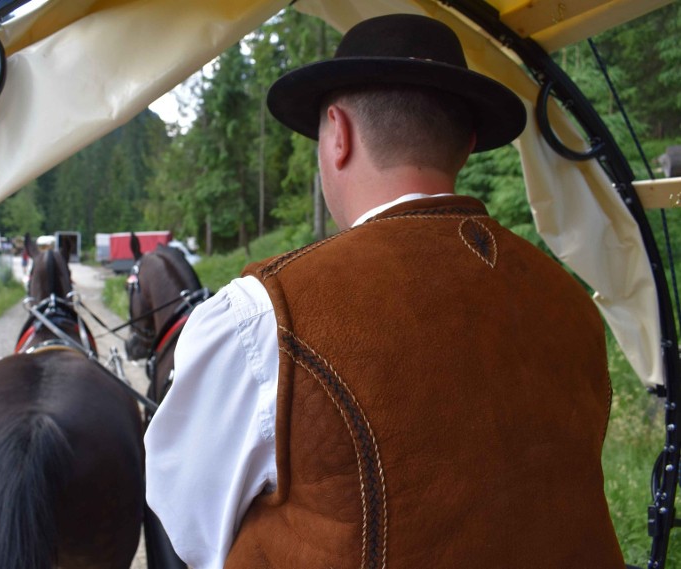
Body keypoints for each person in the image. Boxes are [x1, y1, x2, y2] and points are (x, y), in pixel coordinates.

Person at [145, 14, 626, 568]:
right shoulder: (569, 301)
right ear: (467, 146)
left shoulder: (265, 314)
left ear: (339, 133)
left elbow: (187, 521)